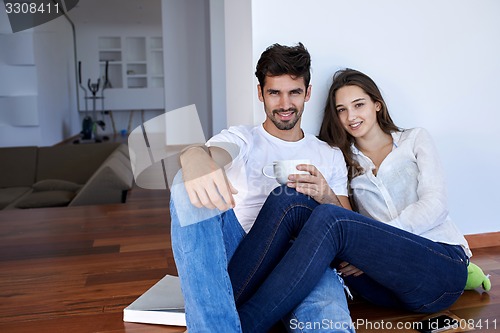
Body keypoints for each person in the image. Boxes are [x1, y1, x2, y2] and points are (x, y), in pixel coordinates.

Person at [228, 68, 472, 332]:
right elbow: (348, 223)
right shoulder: (343, 158)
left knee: (330, 218)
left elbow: (435, 205)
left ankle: (243, 324)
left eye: (359, 105)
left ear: (377, 104)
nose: (351, 116)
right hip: (382, 285)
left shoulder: (414, 140)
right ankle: (224, 304)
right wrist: (327, 197)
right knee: (289, 198)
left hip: (441, 266)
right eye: (342, 110)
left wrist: (378, 242)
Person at [170, 43, 354, 332]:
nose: (284, 104)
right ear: (260, 94)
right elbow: (213, 155)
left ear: (307, 93)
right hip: (243, 254)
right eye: (274, 92)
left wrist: (326, 195)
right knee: (185, 184)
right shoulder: (243, 138)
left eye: (294, 92)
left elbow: (349, 228)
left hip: (305, 257)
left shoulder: (329, 154)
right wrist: (193, 154)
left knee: (328, 323)